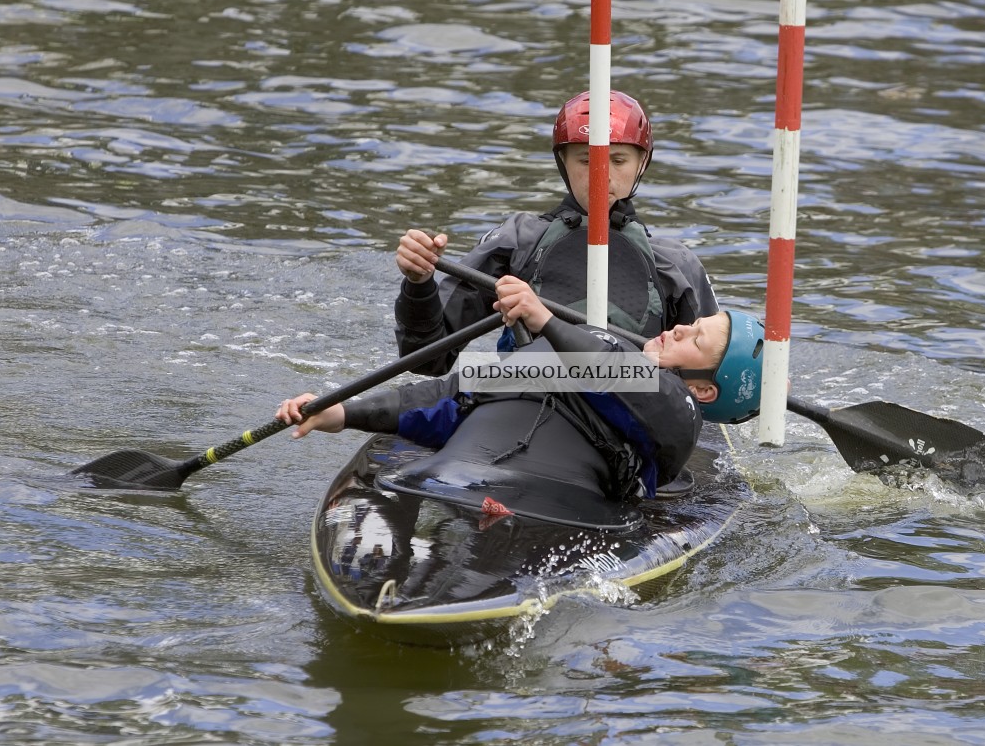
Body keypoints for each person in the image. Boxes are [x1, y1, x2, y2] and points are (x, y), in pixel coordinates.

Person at [276, 278, 763, 502]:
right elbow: (451, 396)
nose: (678, 329)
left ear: (702, 391)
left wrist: (545, 320)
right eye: (690, 324)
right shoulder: (573, 354)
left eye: (695, 340)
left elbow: (617, 376)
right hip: (448, 478)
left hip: (550, 506)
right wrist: (339, 414)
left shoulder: (678, 417)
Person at [393, 89, 721, 376]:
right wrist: (418, 285)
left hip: (635, 408)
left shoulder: (677, 264)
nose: (600, 175)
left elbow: (707, 378)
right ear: (563, 161)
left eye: (617, 160)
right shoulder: (516, 241)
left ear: (642, 164)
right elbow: (427, 360)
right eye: (585, 160)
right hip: (526, 395)